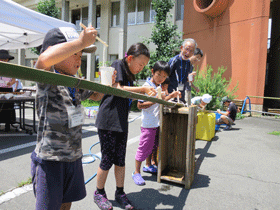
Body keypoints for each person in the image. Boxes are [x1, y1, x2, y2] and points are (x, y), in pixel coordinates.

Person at [30, 26, 106, 210]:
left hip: (74, 157)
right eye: (74, 53)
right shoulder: (47, 79)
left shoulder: (74, 83)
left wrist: (107, 85)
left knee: (66, 205)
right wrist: (80, 42)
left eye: (80, 54)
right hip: (51, 160)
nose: (79, 59)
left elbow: (96, 95)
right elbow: (44, 59)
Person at [94, 43, 156, 210]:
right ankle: (99, 192)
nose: (141, 68)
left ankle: (119, 192)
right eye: (140, 64)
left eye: (144, 66)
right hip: (108, 120)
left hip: (121, 122)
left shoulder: (129, 74)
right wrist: (143, 89)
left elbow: (128, 95)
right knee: (107, 159)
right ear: (130, 58)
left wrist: (147, 93)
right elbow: (117, 88)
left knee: (120, 160)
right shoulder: (118, 65)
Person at [132, 61, 181, 186]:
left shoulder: (158, 86)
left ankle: (148, 166)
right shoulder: (147, 86)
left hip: (156, 123)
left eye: (164, 77)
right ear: (152, 71)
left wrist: (172, 95)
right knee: (143, 148)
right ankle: (136, 172)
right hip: (148, 124)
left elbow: (162, 100)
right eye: (159, 75)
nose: (161, 78)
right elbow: (139, 105)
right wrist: (155, 101)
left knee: (153, 147)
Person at [168, 38, 197, 104]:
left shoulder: (189, 64)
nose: (188, 53)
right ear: (181, 48)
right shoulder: (174, 60)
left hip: (181, 96)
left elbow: (187, 80)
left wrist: (190, 78)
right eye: (187, 49)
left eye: (191, 51)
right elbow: (165, 76)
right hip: (171, 95)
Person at [0, 49, 16, 132]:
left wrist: (11, 83)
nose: (3, 61)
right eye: (1, 59)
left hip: (8, 89)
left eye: (5, 59)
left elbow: (14, 80)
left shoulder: (11, 68)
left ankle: (8, 124)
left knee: (8, 107)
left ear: (7, 60)